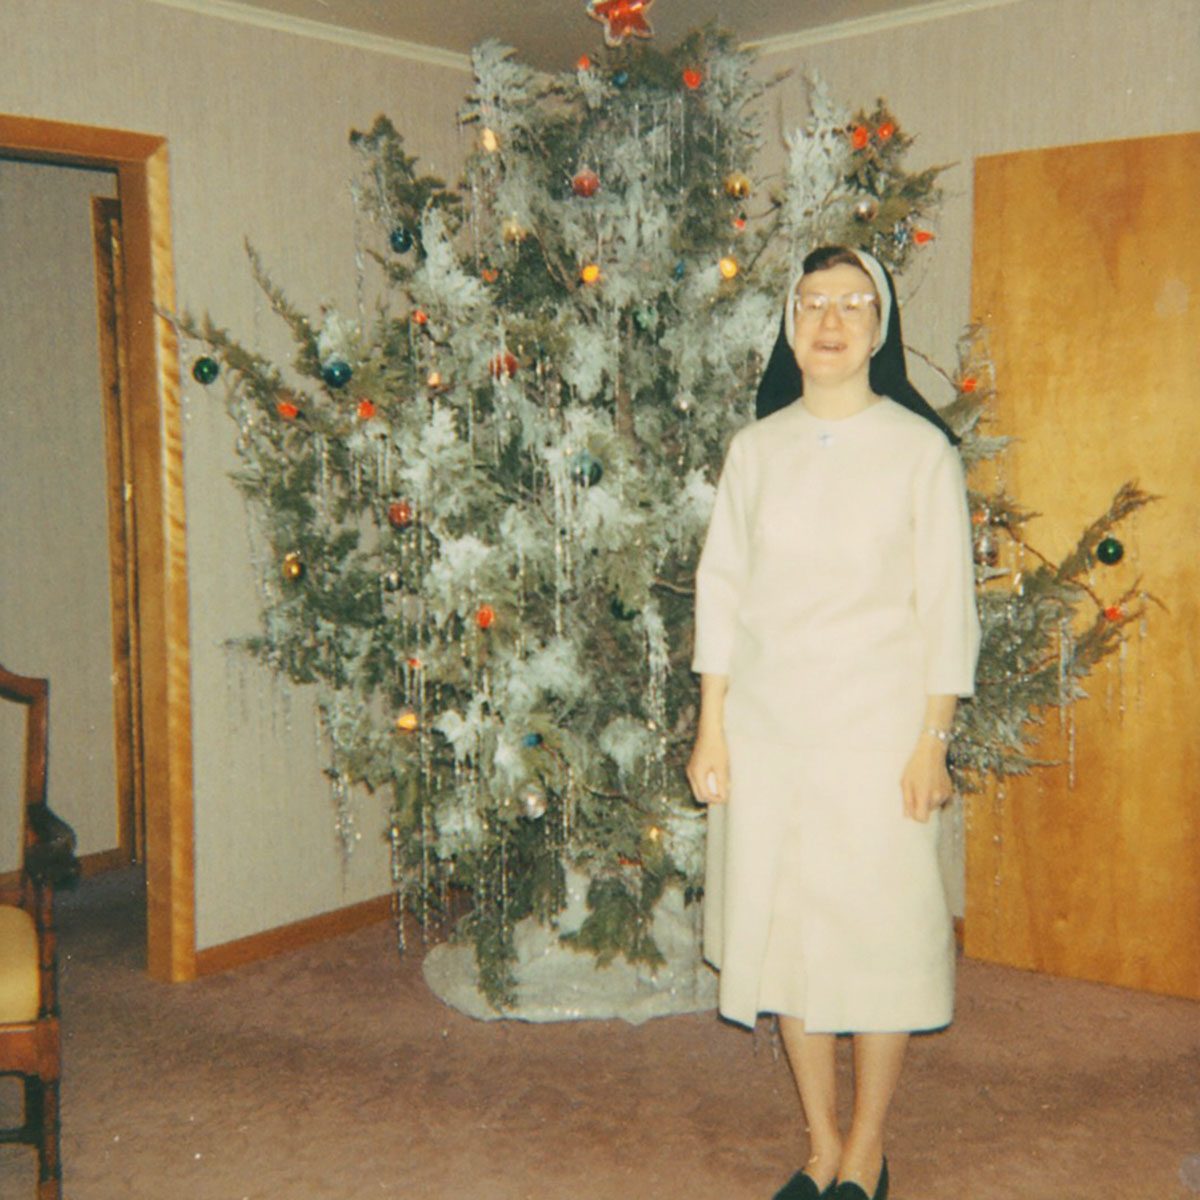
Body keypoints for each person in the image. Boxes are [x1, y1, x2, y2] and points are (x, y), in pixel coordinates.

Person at [686, 245, 980, 1200]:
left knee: (878, 946)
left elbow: (947, 609)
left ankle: (868, 1151)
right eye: (813, 302)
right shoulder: (755, 451)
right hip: (769, 735)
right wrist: (711, 727)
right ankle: (819, 1148)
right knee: (792, 946)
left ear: (879, 328)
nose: (830, 320)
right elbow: (720, 595)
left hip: (879, 739)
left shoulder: (919, 453)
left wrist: (932, 742)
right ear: (790, 321)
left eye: (853, 303)